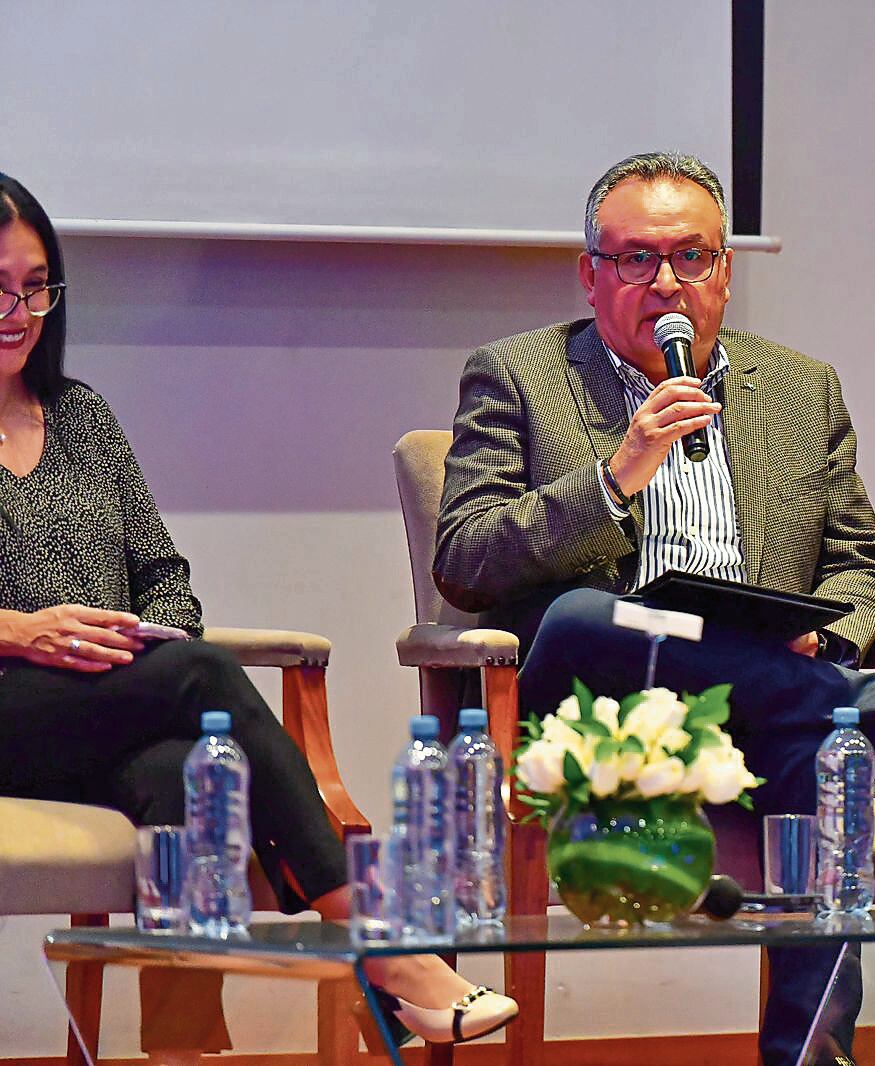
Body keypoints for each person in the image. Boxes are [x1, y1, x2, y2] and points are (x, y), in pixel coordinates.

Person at [434, 151, 875, 1064]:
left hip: (758, 712)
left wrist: (825, 633)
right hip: (595, 708)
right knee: (578, 615)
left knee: (822, 746)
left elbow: (861, 569)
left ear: (724, 271)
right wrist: (614, 478)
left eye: (691, 258)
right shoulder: (518, 375)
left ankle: (811, 1053)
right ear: (592, 275)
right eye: (636, 261)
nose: (666, 284)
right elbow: (465, 557)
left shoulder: (802, 391)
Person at [0, 173, 515, 1049]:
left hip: (107, 709)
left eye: (35, 285)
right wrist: (19, 628)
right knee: (200, 679)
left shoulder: (81, 417)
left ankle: (185, 1049)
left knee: (183, 775)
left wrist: (148, 634)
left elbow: (161, 570)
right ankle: (382, 940)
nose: (18, 309)